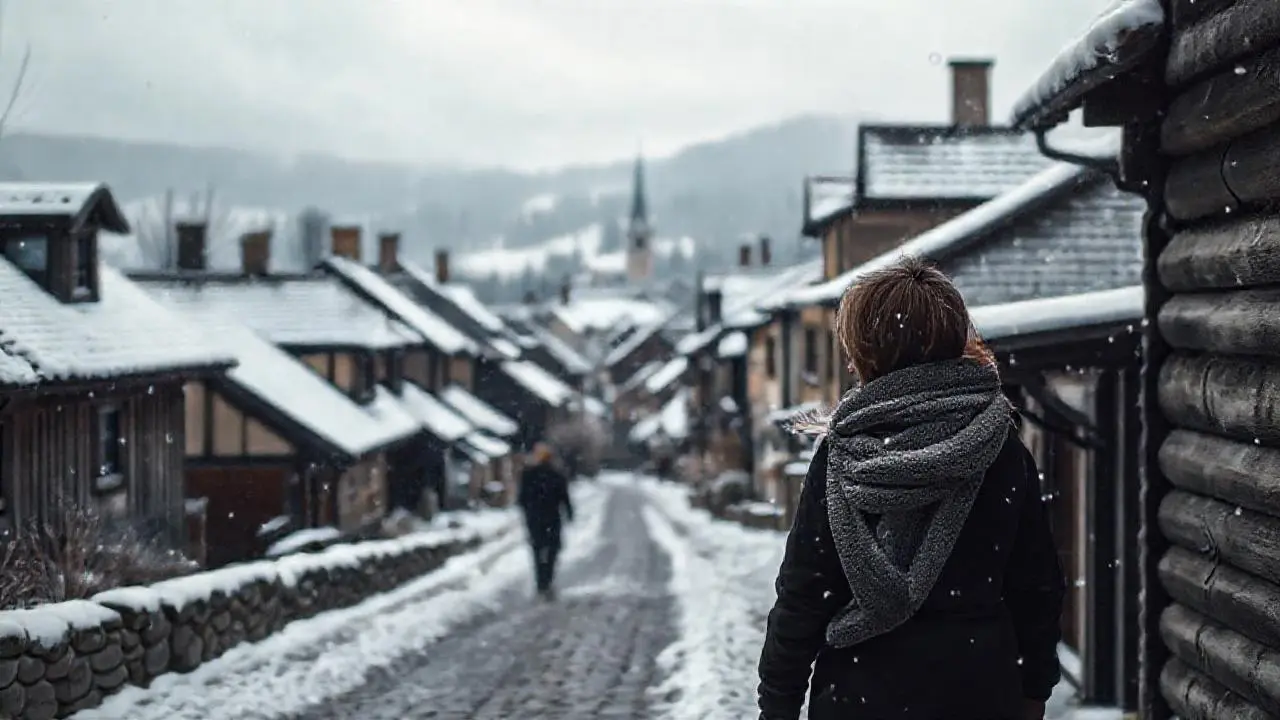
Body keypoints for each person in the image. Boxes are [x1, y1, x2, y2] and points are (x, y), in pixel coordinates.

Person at [756, 256, 1065, 720]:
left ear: (865, 347)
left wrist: (777, 705)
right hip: (978, 693)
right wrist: (1033, 690)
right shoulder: (999, 447)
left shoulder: (842, 454)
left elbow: (804, 592)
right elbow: (1037, 586)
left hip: (859, 697)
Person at [517, 442, 574, 600]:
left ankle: (541, 580)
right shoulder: (556, 474)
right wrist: (569, 513)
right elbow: (564, 497)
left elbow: (521, 499)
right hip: (552, 519)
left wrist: (527, 512)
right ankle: (547, 578)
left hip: (535, 519)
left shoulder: (528, 475)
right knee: (552, 549)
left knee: (538, 549)